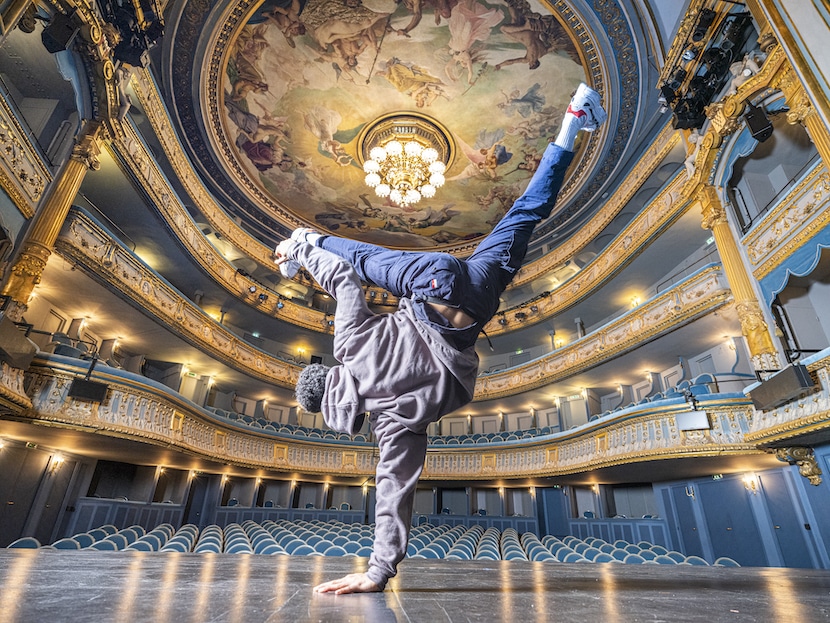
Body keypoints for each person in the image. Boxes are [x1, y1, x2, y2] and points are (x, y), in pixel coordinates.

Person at [274, 83, 606, 594]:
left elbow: (394, 491)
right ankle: (572, 121)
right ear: (326, 374)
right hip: (439, 279)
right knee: (362, 261)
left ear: (330, 410)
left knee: (525, 217)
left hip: (472, 308)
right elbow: (342, 279)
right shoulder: (349, 351)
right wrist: (310, 254)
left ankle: (572, 128)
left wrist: (377, 572)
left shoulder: (390, 424)